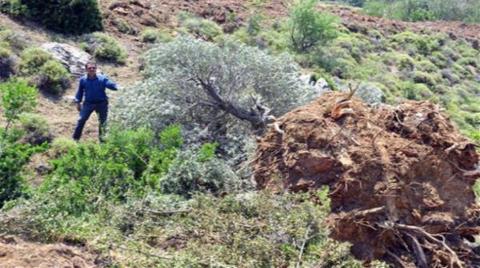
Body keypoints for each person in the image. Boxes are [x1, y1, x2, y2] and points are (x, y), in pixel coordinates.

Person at [72, 61, 118, 141]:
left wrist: (119, 88)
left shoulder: (102, 78)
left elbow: (111, 85)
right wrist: (78, 102)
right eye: (90, 68)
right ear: (86, 69)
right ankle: (75, 139)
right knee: (81, 120)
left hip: (102, 104)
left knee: (103, 122)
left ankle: (102, 142)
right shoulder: (83, 80)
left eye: (94, 68)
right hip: (88, 104)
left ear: (96, 69)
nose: (92, 69)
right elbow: (80, 91)